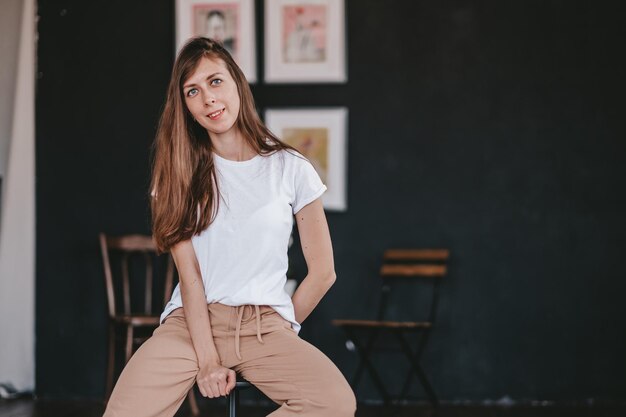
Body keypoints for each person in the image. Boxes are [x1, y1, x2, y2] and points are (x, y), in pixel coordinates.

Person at [103, 37, 356, 417]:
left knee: (334, 402)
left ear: (237, 82)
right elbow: (190, 278)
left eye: (215, 81)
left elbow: (323, 273)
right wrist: (208, 360)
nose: (208, 99)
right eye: (193, 91)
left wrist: (282, 329)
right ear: (185, 106)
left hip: (264, 324)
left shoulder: (291, 168)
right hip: (190, 325)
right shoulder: (178, 175)